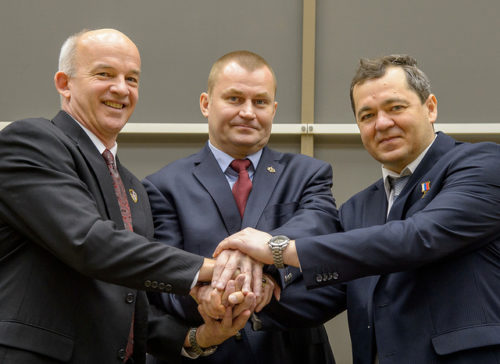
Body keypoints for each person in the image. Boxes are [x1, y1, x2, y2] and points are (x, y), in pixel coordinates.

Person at [214, 54, 500, 363]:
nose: (383, 123)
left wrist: (279, 249)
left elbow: (418, 237)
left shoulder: (480, 164)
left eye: (396, 108)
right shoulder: (357, 209)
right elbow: (327, 295)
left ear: (430, 108)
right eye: (367, 115)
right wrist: (247, 294)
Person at [0, 28, 226, 364]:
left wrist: (198, 338)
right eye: (104, 74)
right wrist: (209, 270)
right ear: (64, 84)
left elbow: (129, 299)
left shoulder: (132, 186)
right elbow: (90, 243)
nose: (121, 89)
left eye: (132, 79)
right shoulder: (31, 142)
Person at [142, 50, 340, 364]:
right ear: (206, 104)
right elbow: (163, 280)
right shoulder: (162, 186)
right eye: (234, 99)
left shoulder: (308, 174)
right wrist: (210, 297)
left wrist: (266, 265)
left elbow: (321, 229)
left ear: (273, 110)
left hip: (291, 353)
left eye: (260, 102)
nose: (248, 112)